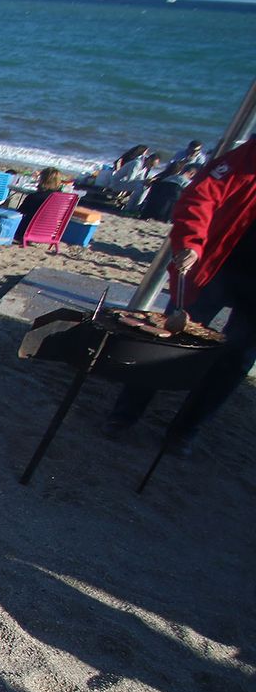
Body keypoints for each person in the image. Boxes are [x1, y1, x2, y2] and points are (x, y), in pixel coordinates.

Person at [106, 138, 255, 456]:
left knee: (236, 360)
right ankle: (124, 415)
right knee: (168, 341)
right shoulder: (243, 160)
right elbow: (199, 198)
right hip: (213, 266)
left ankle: (185, 430)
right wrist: (191, 241)